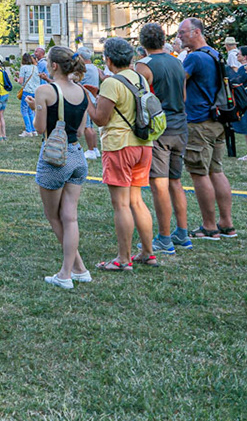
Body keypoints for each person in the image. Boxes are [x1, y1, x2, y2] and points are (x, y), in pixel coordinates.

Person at [88, 37, 157, 272]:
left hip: (119, 145)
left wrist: (87, 99)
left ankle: (123, 259)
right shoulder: (140, 78)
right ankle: (148, 252)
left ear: (108, 59)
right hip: (143, 144)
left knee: (121, 205)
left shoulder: (111, 83)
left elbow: (100, 118)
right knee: (137, 201)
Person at [33, 46, 93, 289]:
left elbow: (39, 129)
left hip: (55, 158)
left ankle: (68, 273)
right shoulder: (82, 91)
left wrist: (35, 108)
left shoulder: (44, 90)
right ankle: (76, 269)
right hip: (77, 155)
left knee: (54, 216)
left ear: (53, 65)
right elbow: (79, 130)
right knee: (70, 217)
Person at [177, 18, 238, 240]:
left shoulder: (194, 58)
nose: (179, 36)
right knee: (216, 170)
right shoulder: (215, 54)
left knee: (199, 173)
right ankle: (227, 223)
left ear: (196, 32)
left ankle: (209, 226)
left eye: (182, 32)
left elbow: (178, 80)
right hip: (217, 119)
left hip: (198, 122)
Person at [137, 23, 192, 257]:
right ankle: (182, 232)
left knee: (159, 183)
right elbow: (184, 95)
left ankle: (165, 238)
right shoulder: (177, 61)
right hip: (181, 125)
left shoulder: (144, 65)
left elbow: (137, 98)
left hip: (160, 128)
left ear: (143, 43)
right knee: (175, 181)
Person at [18, 51, 40, 136]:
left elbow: (21, 81)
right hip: (35, 91)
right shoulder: (35, 67)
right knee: (31, 111)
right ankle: (34, 130)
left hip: (27, 90)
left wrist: (17, 79)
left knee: (24, 110)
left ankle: (28, 130)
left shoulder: (24, 68)